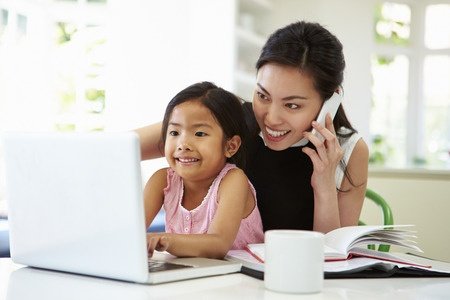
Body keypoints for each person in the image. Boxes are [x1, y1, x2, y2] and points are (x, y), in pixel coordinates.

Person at [137, 21, 369, 235]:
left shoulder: (350, 150)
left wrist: (324, 185)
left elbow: (331, 256)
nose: (271, 118)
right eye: (262, 95)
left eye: (292, 105)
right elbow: (119, 148)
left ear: (330, 101)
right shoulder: (229, 119)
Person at [144, 81, 264, 259]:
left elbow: (218, 245)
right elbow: (129, 230)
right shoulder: (162, 180)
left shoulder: (233, 180)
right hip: (191, 277)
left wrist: (165, 239)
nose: (183, 145)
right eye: (175, 133)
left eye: (200, 134)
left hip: (242, 280)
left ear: (230, 146)